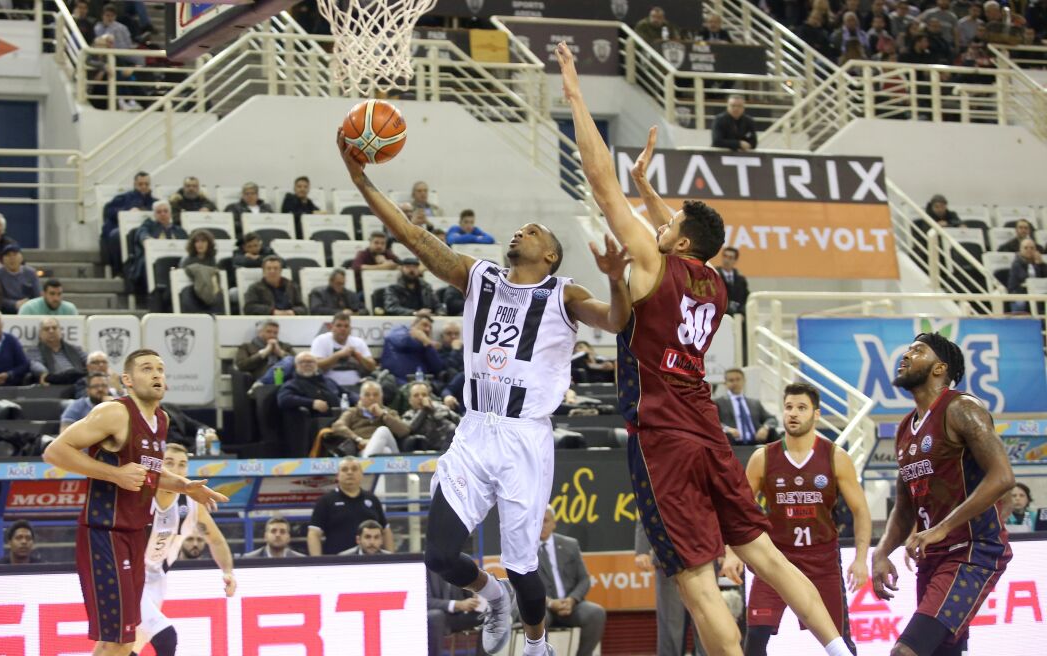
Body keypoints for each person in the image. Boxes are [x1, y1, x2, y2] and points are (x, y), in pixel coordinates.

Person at [559, 42, 854, 656]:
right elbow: (689, 233)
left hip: (664, 437)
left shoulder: (650, 265)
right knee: (765, 556)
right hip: (710, 432)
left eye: (665, 225)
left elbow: (599, 181)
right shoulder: (715, 283)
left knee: (695, 581)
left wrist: (574, 91)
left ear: (677, 239)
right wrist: (650, 189)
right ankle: (837, 648)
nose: (657, 225)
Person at [339, 99, 632, 656]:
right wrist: (361, 179)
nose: (520, 231)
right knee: (442, 557)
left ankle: (538, 643)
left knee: (526, 568)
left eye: (533, 230)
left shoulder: (563, 293)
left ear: (549, 253)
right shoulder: (482, 277)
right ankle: (488, 594)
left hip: (526, 437)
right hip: (476, 430)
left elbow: (618, 321)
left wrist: (616, 280)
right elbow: (413, 237)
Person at [42, 349, 227, 656]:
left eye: (160, 369)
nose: (156, 374)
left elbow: (148, 470)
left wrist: (184, 486)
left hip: (134, 535)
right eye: (146, 368)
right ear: (127, 380)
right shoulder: (114, 412)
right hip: (104, 532)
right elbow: (54, 452)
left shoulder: (161, 420)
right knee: (120, 641)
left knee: (123, 641)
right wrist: (114, 474)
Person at [871, 333, 1013, 656]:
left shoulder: (961, 407)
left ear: (940, 368)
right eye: (906, 350)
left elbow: (1003, 477)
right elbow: (905, 508)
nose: (905, 355)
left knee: (905, 652)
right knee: (941, 653)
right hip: (934, 557)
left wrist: (941, 528)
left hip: (973, 550)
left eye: (917, 351)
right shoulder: (905, 428)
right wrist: (881, 552)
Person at [730, 382, 870, 655]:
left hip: (822, 560)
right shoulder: (763, 457)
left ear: (816, 414)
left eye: (802, 408)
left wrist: (862, 558)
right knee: (755, 638)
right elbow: (738, 509)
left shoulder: (835, 457)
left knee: (839, 642)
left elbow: (861, 511)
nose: (793, 413)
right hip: (775, 558)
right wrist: (732, 553)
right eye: (789, 407)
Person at [134, 444, 236, 656]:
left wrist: (227, 572)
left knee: (127, 648)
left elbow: (216, 540)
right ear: (158, 466)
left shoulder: (191, 504)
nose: (177, 469)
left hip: (157, 581)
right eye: (169, 463)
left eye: (182, 465)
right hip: (129, 579)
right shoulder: (139, 496)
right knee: (166, 637)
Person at [537, 506, 605, 656]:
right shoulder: (526, 550)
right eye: (537, 521)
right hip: (542, 607)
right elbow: (523, 586)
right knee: (537, 616)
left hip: (570, 606)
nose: (541, 525)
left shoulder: (570, 545)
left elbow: (584, 579)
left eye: (545, 521)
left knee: (596, 613)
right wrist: (550, 603)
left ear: (554, 523)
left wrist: (572, 600)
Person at [634, 521, 704, 656]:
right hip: (668, 552)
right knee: (670, 623)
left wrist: (726, 550)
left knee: (707, 621)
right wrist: (642, 549)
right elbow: (647, 503)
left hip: (704, 552)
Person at [307, 457, 394, 556]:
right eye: (344, 469)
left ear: (361, 474)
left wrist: (391, 558)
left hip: (370, 562)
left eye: (354, 469)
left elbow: (386, 531)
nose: (349, 472)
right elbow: (314, 533)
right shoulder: (325, 501)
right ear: (337, 476)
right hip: (337, 562)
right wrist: (317, 562)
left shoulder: (372, 499)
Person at [326, 380, 410, 456]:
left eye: (376, 394)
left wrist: (383, 415)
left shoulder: (390, 413)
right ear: (361, 397)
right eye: (367, 395)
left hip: (391, 447)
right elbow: (337, 426)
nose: (372, 398)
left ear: (382, 397)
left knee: (383, 430)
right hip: (363, 450)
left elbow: (404, 431)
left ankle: (365, 465)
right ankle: (368, 465)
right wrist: (359, 439)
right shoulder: (352, 412)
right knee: (385, 451)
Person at [102, 171, 156, 273]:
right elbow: (108, 211)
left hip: (148, 232)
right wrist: (126, 211)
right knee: (115, 235)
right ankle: (118, 271)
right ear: (135, 184)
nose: (144, 187)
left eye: (146, 184)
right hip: (126, 231)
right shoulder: (123, 198)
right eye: (140, 184)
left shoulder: (155, 202)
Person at [427, 568, 484, 656]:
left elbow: (468, 593)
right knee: (436, 616)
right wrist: (457, 604)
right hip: (435, 618)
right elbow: (425, 601)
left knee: (488, 616)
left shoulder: (458, 565)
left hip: (457, 616)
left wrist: (476, 593)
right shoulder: (424, 568)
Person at [310, 311, 375, 388]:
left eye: (346, 326)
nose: (343, 329)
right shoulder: (321, 340)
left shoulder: (358, 342)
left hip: (356, 384)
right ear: (331, 327)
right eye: (339, 326)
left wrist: (357, 355)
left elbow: (372, 366)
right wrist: (338, 355)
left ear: (350, 328)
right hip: (329, 386)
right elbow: (316, 366)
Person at [714, 369, 778, 445]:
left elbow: (772, 419)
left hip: (756, 441)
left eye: (738, 379)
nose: (735, 383)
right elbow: (711, 422)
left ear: (744, 381)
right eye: (731, 380)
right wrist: (727, 429)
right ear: (725, 383)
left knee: (773, 432)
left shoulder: (754, 403)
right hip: (732, 442)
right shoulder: (718, 402)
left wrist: (765, 428)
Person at [379, 312, 444, 384]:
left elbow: (437, 368)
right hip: (396, 382)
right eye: (424, 325)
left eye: (430, 328)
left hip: (421, 385)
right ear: (413, 325)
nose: (427, 329)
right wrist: (424, 339)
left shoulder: (427, 345)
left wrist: (428, 345)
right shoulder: (400, 331)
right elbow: (402, 342)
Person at [401, 381, 460, 452]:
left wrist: (433, 411)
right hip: (423, 450)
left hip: (446, 447)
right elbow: (410, 429)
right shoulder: (408, 415)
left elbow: (460, 422)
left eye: (424, 395)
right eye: (416, 395)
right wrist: (424, 410)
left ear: (429, 397)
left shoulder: (441, 408)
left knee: (452, 429)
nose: (421, 398)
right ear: (410, 400)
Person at [29, 317, 88, 385]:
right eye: (46, 329)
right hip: (55, 382)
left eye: (54, 328)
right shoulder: (34, 351)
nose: (51, 331)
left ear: (60, 331)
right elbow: (36, 365)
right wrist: (44, 375)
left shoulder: (75, 349)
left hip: (78, 380)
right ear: (40, 334)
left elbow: (89, 360)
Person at [0, 244, 40, 313]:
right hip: (5, 311)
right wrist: (14, 304)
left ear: (21, 258)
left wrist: (27, 304)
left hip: (28, 309)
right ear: (2, 259)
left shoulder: (31, 273)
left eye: (15, 255)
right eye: (8, 255)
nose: (12, 258)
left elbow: (37, 295)